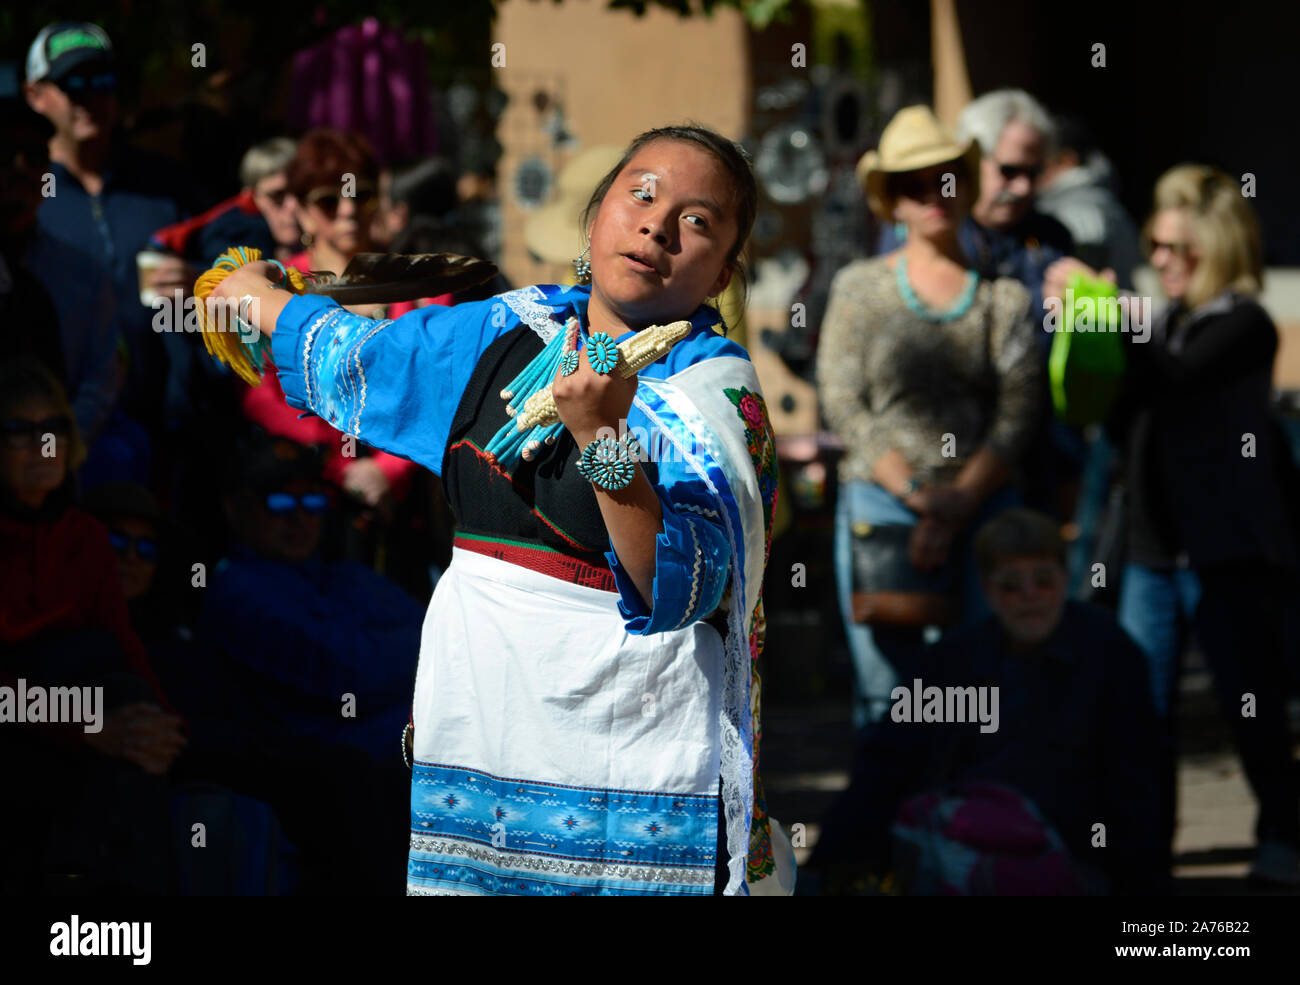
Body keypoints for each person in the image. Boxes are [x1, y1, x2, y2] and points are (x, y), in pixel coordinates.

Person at [204, 123, 786, 895]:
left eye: (697, 219)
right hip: (482, 721)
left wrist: (602, 438)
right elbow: (362, 356)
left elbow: (683, 586)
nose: (657, 224)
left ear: (721, 275)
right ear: (597, 213)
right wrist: (257, 296)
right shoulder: (505, 327)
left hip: (622, 742)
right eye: (641, 193)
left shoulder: (715, 395)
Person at [1053, 164, 1300, 886]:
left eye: (1173, 249)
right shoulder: (1168, 322)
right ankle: (1142, 859)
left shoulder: (1244, 324)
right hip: (1151, 550)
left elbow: (1174, 374)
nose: (1158, 260)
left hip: (1223, 553)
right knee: (1143, 713)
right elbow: (1122, 403)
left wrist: (1103, 303)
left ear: (1215, 248)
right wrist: (1084, 319)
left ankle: (1283, 838)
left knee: (1247, 705)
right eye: (1155, 247)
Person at [817, 105, 1041, 730]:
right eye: (913, 185)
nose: (933, 196)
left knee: (983, 696)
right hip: (883, 506)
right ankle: (890, 825)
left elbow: (1020, 410)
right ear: (890, 199)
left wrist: (956, 501)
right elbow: (842, 399)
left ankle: (970, 822)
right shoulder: (859, 287)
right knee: (886, 699)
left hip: (984, 506)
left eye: (945, 179)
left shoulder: (1005, 298)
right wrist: (917, 496)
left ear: (966, 186)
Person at [808, 509, 1166, 895]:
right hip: (963, 846)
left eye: (1043, 582)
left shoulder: (1108, 654)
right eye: (1011, 586)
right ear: (988, 590)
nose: (1029, 598)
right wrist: (824, 868)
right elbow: (886, 764)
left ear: (1066, 579)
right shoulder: (955, 662)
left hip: (1070, 852)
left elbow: (1141, 784)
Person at [0, 356, 186, 893]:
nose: (42, 445)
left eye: (53, 428)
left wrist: (161, 728)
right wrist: (93, 728)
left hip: (81, 721)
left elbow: (124, 643)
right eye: (19, 431)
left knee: (129, 712)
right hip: (24, 725)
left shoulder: (83, 536)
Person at [23, 21, 196, 432]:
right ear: (35, 95)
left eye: (102, 81)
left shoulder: (164, 184)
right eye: (72, 84)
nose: (90, 98)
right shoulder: (23, 192)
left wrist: (200, 280)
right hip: (58, 427)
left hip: (165, 419)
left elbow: (225, 266)